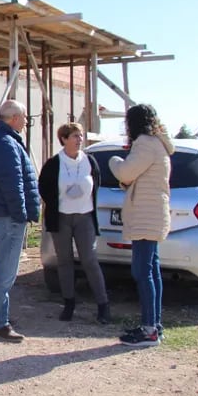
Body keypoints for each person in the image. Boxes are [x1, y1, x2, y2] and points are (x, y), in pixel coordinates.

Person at [109, 104, 174, 347]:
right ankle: (154, 324)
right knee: (152, 270)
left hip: (146, 216)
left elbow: (126, 172)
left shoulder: (145, 143)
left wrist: (114, 161)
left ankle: (149, 330)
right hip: (153, 213)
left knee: (142, 271)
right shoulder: (158, 143)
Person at [0, 99, 41, 342]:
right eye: (24, 117)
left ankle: (0, 318)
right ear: (14, 118)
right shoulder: (5, 143)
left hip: (2, 214)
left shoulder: (3, 140)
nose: (26, 121)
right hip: (7, 216)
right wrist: (21, 214)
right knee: (5, 270)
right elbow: (13, 184)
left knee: (4, 267)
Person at [39, 122, 111, 323]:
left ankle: (103, 305)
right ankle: (69, 303)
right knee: (64, 261)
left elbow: (97, 183)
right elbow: (44, 188)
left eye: (80, 136)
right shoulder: (54, 163)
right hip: (61, 217)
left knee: (89, 259)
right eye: (74, 136)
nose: (79, 140)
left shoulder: (89, 161)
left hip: (84, 216)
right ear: (63, 139)